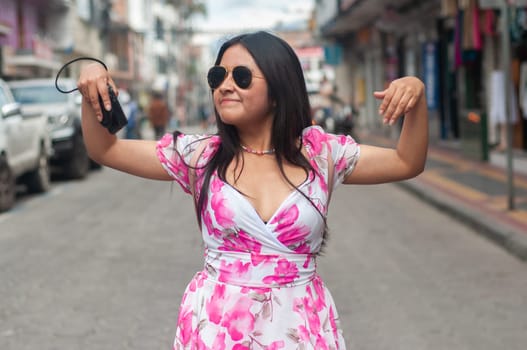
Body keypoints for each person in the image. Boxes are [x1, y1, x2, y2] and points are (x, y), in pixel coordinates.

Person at [77, 31, 428, 349]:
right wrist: (92, 81)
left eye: (241, 77)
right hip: (218, 329)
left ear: (278, 89)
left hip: (300, 327)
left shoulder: (321, 153)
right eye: (218, 77)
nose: (225, 86)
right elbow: (105, 150)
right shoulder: (200, 155)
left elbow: (406, 162)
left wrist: (416, 94)